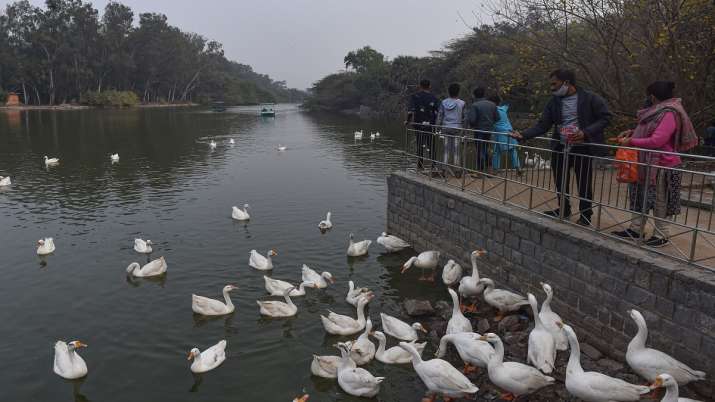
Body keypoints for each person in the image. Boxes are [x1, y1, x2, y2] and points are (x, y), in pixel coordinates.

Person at [512, 69, 612, 226]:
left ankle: (586, 214)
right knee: (560, 180)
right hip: (560, 146)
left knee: (584, 182)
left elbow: (605, 118)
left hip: (582, 147)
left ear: (566, 83)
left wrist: (585, 133)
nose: (551, 88)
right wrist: (523, 135)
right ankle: (563, 209)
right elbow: (543, 125)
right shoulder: (554, 102)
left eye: (554, 84)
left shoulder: (590, 98)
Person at [613, 81, 698, 247]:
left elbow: (658, 140)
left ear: (652, 96)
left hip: (663, 165)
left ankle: (662, 235)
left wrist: (631, 142)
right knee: (639, 197)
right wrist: (632, 133)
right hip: (646, 163)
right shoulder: (654, 113)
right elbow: (649, 131)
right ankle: (636, 229)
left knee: (661, 201)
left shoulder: (669, 113)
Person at [406, 79, 440, 170]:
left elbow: (411, 111)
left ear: (420, 86)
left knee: (420, 144)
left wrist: (408, 121)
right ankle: (433, 165)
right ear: (429, 86)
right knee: (431, 145)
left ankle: (420, 165)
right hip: (430, 125)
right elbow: (438, 111)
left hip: (418, 124)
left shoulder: (415, 96)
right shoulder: (434, 98)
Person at [436, 83, 466, 176]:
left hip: (446, 127)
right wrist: (464, 129)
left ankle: (444, 169)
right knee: (456, 149)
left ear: (448, 92)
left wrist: (437, 127)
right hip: (457, 128)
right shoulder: (462, 103)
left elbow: (440, 116)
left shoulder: (443, 102)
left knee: (446, 149)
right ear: (458, 92)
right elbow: (465, 118)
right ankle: (457, 170)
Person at [467, 87, 499, 171]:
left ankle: (480, 171)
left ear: (474, 95)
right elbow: (497, 118)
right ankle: (490, 168)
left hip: (479, 131)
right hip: (489, 131)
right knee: (485, 148)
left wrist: (471, 125)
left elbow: (472, 120)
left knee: (480, 150)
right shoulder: (492, 104)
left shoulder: (475, 105)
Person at [488, 95, 521, 173]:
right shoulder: (503, 109)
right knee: (512, 150)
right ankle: (518, 168)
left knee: (497, 151)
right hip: (510, 131)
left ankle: (495, 169)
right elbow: (507, 105)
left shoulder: (494, 110)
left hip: (501, 133)